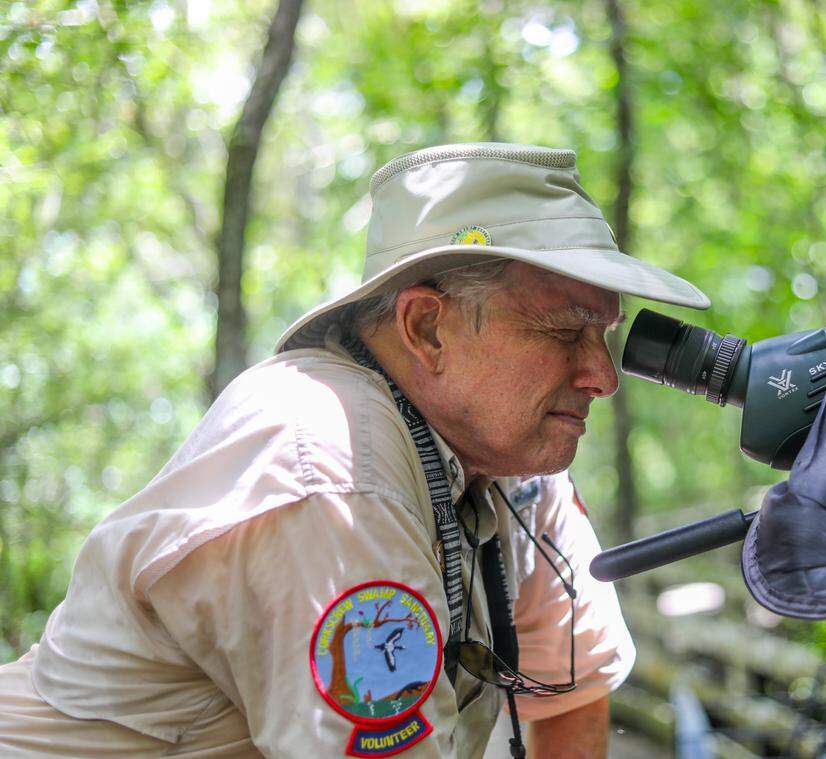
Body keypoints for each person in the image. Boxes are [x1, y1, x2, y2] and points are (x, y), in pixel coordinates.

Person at [0, 143, 710, 758]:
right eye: (564, 332)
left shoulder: (515, 469)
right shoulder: (331, 469)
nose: (604, 376)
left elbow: (571, 689)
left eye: (605, 336)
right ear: (427, 327)